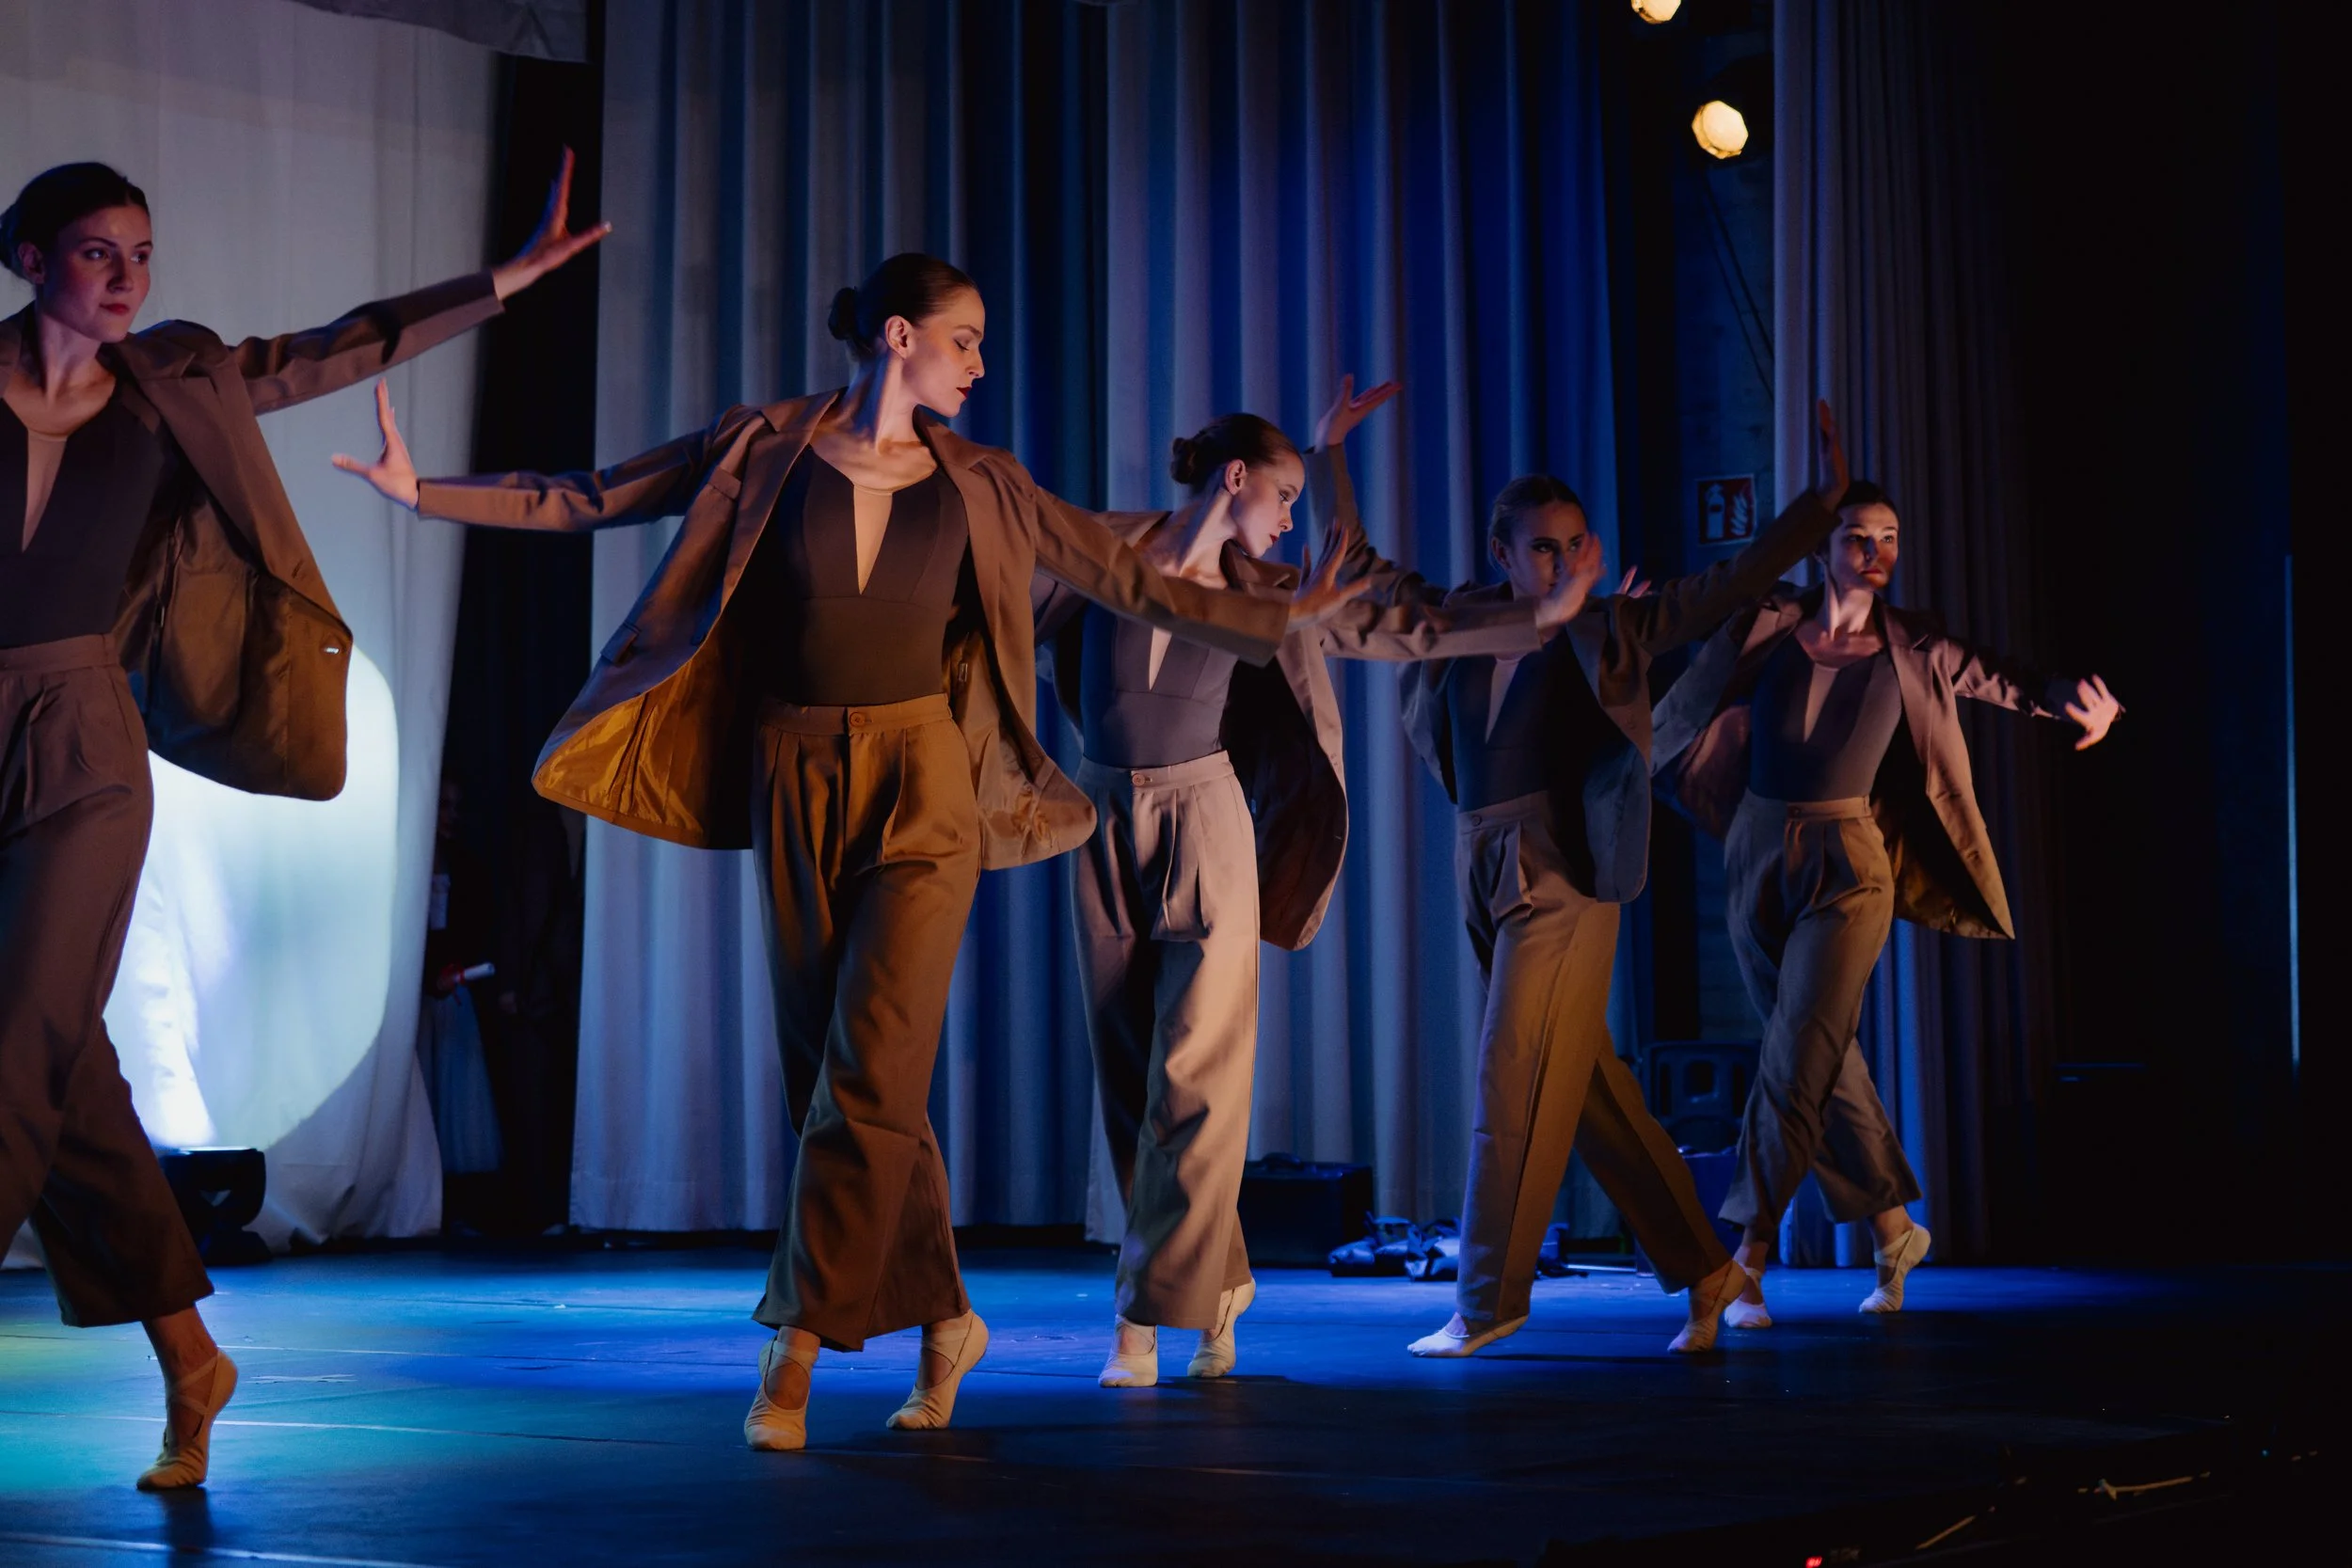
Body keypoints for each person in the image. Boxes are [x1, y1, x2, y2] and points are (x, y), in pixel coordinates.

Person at [334, 253, 1369, 1450]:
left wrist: (1279, 612)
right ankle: (943, 1316)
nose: (980, 363)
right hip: (790, 772)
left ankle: (794, 1345)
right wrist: (426, 493)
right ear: (897, 336)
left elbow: (1129, 579)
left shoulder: (984, 480)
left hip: (925, 783)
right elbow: (598, 493)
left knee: (870, 1066)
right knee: (829, 1072)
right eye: (964, 339)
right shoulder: (762, 445)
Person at [0, 153, 602, 1490]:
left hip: (85, 742)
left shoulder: (170, 380)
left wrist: (500, 281)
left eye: (142, 253)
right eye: (98, 252)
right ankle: (190, 1356)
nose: (128, 277)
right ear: (31, 259)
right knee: (66, 1071)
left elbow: (334, 347)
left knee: (16, 1042)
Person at [1033, 377, 1586, 1388]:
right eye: (1284, 495)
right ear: (1233, 478)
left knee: (1193, 1079)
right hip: (1101, 818)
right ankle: (1218, 1279)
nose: (1291, 518)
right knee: (1128, 1076)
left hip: (1205, 822)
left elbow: (1403, 624)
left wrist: (1536, 616)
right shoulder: (1101, 551)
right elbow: (992, 588)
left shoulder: (1278, 593)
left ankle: (1140, 1318)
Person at [1373, 403, 1854, 1358]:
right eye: (1540, 548)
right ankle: (1707, 1269)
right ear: (1501, 553)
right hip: (1481, 856)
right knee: (1589, 1089)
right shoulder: (1461, 616)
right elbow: (1365, 572)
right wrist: (1328, 456)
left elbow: (1728, 584)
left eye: (1572, 545)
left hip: (1564, 872)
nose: (1560, 563)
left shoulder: (1613, 625)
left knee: (1510, 1075)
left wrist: (1818, 506)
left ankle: (1486, 1300)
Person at [1650, 480, 2120, 1323]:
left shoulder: (1916, 644)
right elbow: (1682, 648)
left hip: (1852, 863)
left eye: (1890, 537)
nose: (1876, 553)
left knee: (1796, 1054)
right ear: (1821, 548)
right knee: (1819, 1052)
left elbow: (2005, 677)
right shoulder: (1768, 621)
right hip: (1755, 850)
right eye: (1858, 537)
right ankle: (1894, 1229)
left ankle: (1742, 1260)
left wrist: (2071, 698)